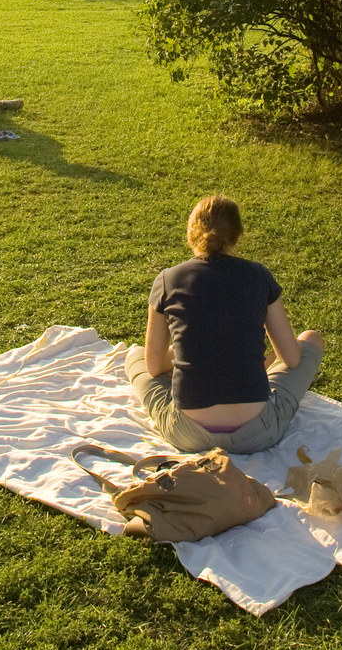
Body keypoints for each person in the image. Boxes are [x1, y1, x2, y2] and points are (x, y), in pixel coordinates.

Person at [127, 195, 323, 455]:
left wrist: (190, 352)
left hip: (187, 433)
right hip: (257, 432)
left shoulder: (168, 279)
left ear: (191, 232)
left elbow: (154, 366)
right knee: (310, 338)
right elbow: (291, 357)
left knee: (135, 356)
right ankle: (256, 372)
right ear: (238, 235)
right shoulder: (258, 275)